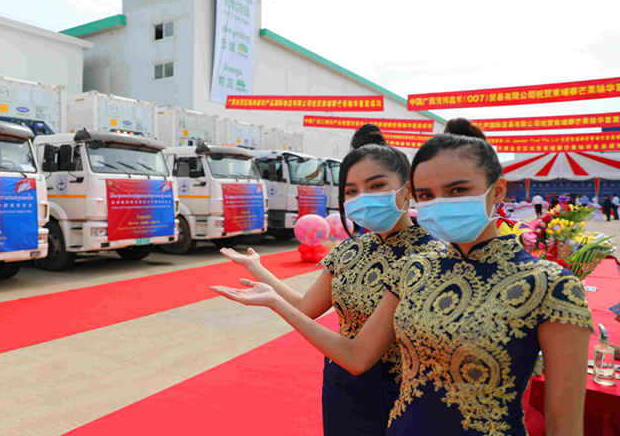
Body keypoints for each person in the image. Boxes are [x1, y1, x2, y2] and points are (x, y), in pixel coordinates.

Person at [212, 118, 593, 436]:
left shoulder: (549, 284)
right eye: (429, 195)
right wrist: (265, 279)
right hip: (371, 409)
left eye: (458, 190)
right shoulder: (416, 268)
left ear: (497, 191)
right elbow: (347, 344)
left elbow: (566, 424)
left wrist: (275, 299)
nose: (441, 203)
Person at [217, 128, 445, 435]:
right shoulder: (350, 249)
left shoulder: (429, 257)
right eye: (351, 191)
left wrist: (274, 304)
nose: (362, 198)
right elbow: (306, 306)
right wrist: (259, 269)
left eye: (376, 185)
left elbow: (359, 357)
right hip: (339, 388)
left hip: (399, 397)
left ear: (409, 190)